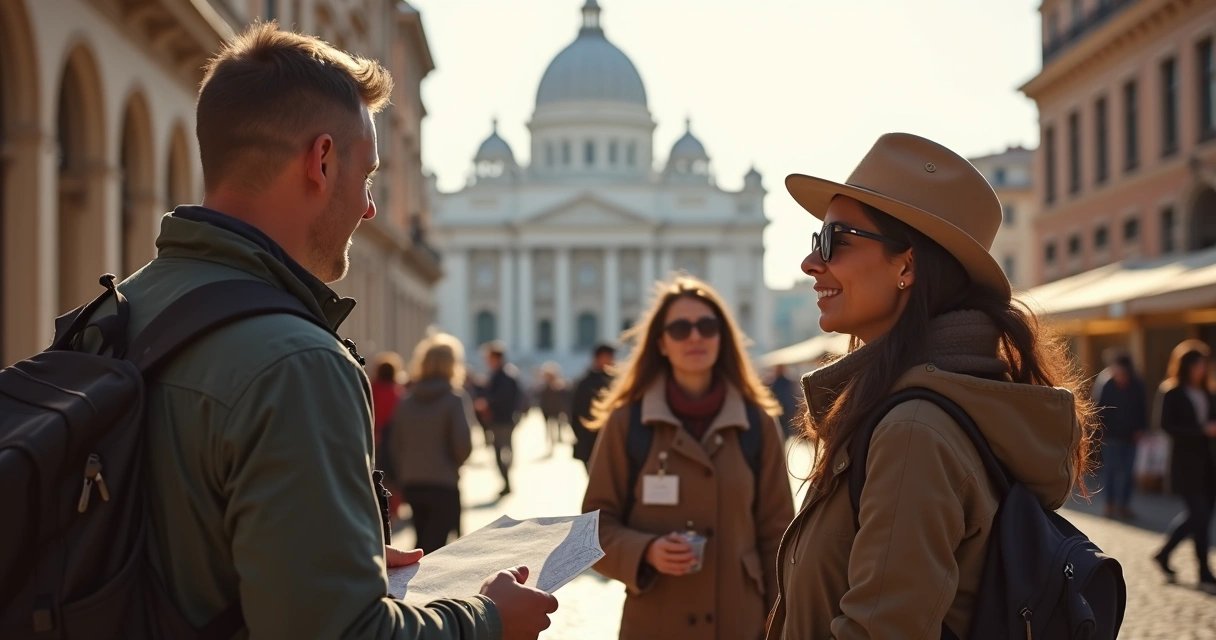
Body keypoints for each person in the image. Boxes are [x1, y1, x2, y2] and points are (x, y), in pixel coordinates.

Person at [85, 23, 557, 639]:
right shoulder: (298, 364)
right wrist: (487, 619)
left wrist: (324, 552)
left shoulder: (109, 314)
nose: (370, 207)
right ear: (323, 160)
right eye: (368, 177)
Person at [766, 132, 1097, 638]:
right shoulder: (914, 407)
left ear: (906, 264)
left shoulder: (912, 430)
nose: (811, 263)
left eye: (834, 241)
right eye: (816, 241)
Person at [581, 276, 795, 640]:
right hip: (655, 625)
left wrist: (780, 622)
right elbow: (593, 531)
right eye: (680, 329)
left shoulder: (756, 422)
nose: (695, 337)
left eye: (707, 326)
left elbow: (779, 534)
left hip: (739, 624)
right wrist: (646, 551)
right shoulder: (627, 422)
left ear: (722, 337)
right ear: (661, 343)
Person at [389, 333, 474, 554]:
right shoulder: (454, 398)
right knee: (436, 547)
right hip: (443, 481)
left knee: (421, 539)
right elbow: (463, 445)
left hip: (412, 481)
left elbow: (396, 442)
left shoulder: (407, 399)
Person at [1151, 340, 1216, 593]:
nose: (1202, 369)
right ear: (1186, 365)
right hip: (1185, 464)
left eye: (1205, 364)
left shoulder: (1208, 392)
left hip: (1208, 463)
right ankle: (1168, 554)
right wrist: (1201, 431)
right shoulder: (1171, 391)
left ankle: (1201, 571)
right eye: (1198, 364)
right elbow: (1165, 425)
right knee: (1198, 514)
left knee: (1203, 519)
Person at [1095, 352, 1148, 520]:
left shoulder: (1137, 385)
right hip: (1111, 436)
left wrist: (1141, 429)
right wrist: (1100, 432)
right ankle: (1109, 503)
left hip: (1131, 437)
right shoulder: (1106, 385)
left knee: (1128, 473)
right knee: (1110, 471)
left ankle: (1125, 505)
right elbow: (1099, 410)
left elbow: (1142, 409)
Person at [474, 341, 521, 496]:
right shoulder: (499, 374)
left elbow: (503, 398)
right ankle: (506, 481)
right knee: (502, 451)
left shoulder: (504, 376)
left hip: (502, 419)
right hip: (500, 419)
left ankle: (507, 482)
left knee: (502, 452)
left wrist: (487, 403)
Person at [370, 351, 407, 520]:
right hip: (392, 441)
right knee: (393, 477)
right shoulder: (399, 393)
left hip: (372, 440)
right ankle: (394, 509)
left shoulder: (371, 389)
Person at [570, 343, 616, 471]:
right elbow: (577, 412)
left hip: (611, 439)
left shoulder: (615, 381)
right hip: (589, 439)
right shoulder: (586, 383)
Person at [537, 362, 570, 456]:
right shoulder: (544, 388)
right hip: (549, 413)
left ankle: (558, 443)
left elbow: (564, 401)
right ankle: (552, 446)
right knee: (551, 431)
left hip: (557, 413)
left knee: (559, 429)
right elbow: (542, 401)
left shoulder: (559, 387)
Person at [766, 364, 800, 441]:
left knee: (785, 432)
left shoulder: (787, 382)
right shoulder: (774, 383)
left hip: (786, 411)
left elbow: (791, 396)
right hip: (778, 412)